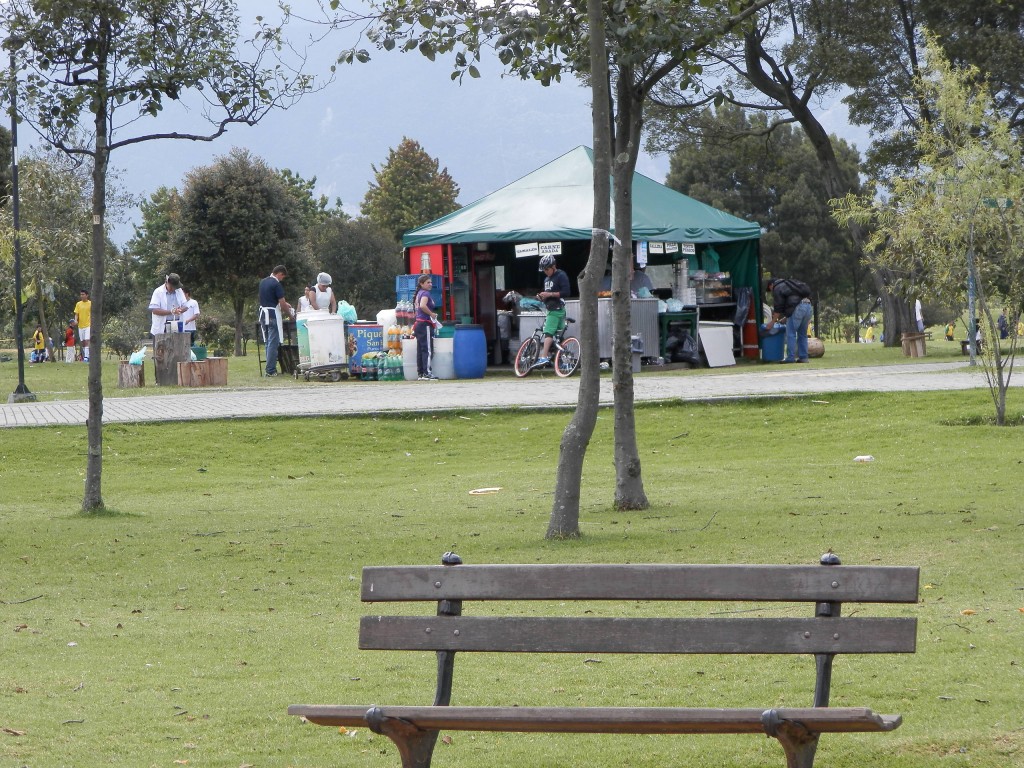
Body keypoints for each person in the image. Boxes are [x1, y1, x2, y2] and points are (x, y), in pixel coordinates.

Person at [766, 277, 813, 363]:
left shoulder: (777, 287)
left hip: (798, 308)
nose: (772, 291)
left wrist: (772, 322)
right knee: (802, 334)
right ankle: (804, 357)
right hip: (808, 306)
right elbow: (793, 301)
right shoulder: (791, 284)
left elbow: (778, 308)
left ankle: (790, 357)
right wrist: (786, 317)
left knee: (791, 333)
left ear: (771, 285)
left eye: (770, 289)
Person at [258, 265, 293, 377]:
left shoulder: (263, 282)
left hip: (263, 314)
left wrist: (281, 303)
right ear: (279, 273)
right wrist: (290, 315)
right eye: (282, 277)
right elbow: (282, 303)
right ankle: (270, 370)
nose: (282, 279)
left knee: (268, 342)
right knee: (273, 343)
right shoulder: (276, 284)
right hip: (272, 315)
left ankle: (269, 368)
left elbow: (269, 298)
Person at [535, 254, 570, 365]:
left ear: (553, 266)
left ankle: (543, 357)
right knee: (558, 337)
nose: (545, 272)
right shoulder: (546, 279)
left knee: (548, 333)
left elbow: (566, 292)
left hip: (556, 309)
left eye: (547, 269)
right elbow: (548, 297)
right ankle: (564, 360)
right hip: (550, 308)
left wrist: (549, 294)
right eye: (544, 270)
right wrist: (542, 297)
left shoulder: (561, 275)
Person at [413, 273, 440, 380]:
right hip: (425, 324)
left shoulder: (419, 293)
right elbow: (422, 306)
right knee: (427, 350)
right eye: (428, 282)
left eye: (431, 282)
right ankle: (427, 372)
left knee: (420, 349)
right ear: (421, 284)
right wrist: (431, 314)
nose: (430, 284)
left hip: (419, 324)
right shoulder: (425, 293)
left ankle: (421, 373)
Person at [74, 289, 92, 362]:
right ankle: (87, 356)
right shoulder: (78, 304)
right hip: (80, 326)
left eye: (83, 294)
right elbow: (76, 314)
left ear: (87, 295)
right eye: (81, 294)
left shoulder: (91, 303)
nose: (82, 296)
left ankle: (86, 357)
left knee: (87, 340)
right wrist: (75, 320)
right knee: (83, 342)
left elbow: (93, 313)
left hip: (88, 325)